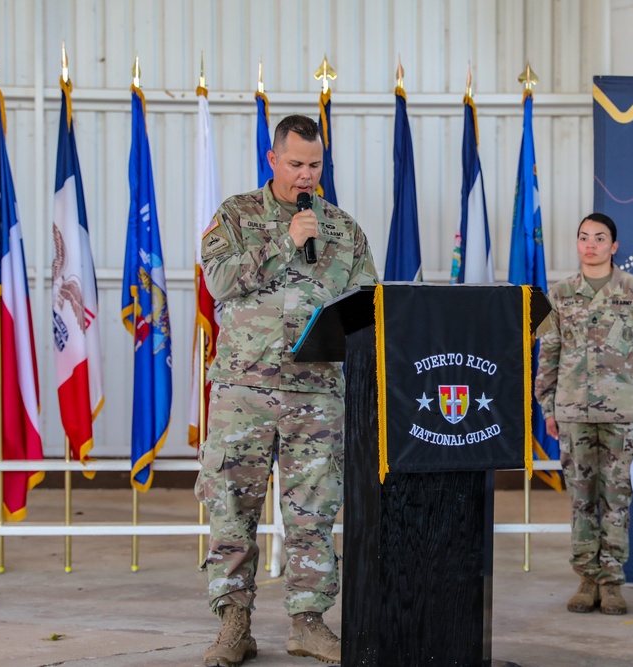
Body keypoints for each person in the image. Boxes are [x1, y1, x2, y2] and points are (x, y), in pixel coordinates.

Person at [196, 114, 378, 667]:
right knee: (232, 509)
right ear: (272, 160)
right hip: (242, 391)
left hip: (316, 394)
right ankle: (234, 624)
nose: (306, 175)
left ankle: (308, 621)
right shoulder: (237, 214)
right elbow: (218, 281)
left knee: (313, 512)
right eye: (295, 164)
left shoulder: (343, 229)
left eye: (315, 165)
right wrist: (284, 240)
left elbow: (367, 309)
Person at [535, 213, 633, 616]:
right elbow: (549, 355)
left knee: (616, 500)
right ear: (577, 245)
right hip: (573, 411)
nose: (590, 244)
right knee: (580, 499)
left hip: (623, 413)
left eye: (599, 238)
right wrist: (547, 407)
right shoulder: (558, 295)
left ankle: (611, 583)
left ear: (614, 246)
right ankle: (586, 579)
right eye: (583, 237)